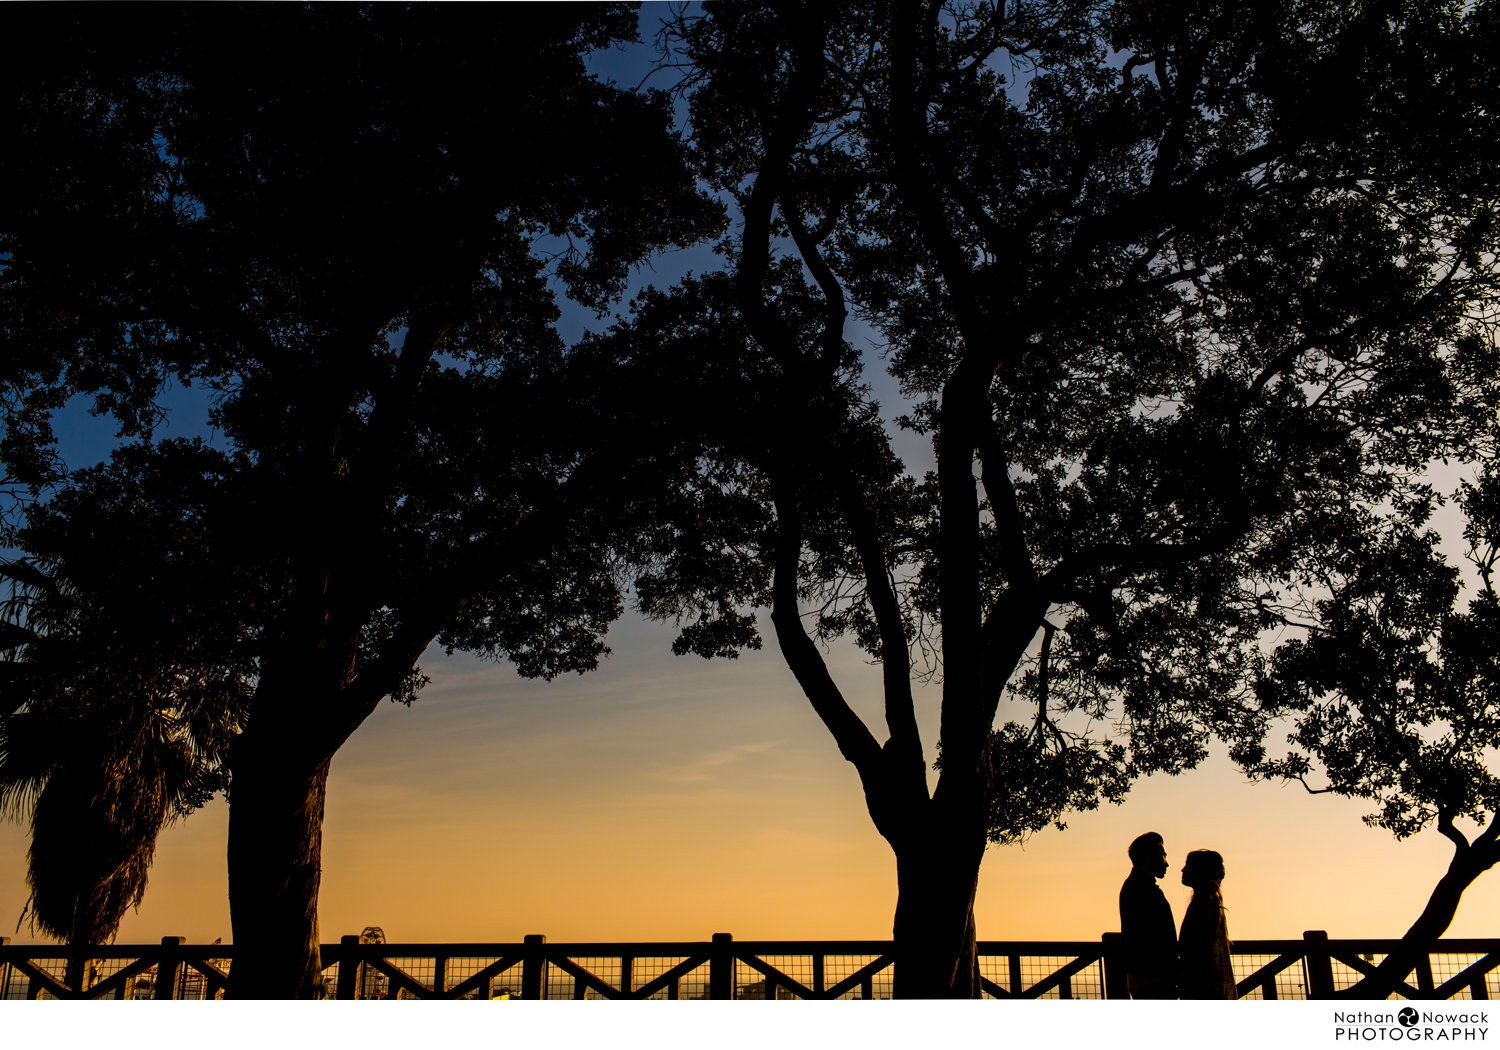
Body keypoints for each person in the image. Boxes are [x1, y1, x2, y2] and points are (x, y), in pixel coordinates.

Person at [1119, 832, 1178, 998]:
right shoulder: (1142, 888)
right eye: (1163, 855)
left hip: (1149, 977)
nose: (1166, 864)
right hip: (1154, 979)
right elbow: (1154, 935)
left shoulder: (1136, 885)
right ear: (1149, 854)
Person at [1178, 849, 1238, 999]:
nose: (1183, 870)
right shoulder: (1208, 902)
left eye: (1188, 865)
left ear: (1199, 870)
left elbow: (1201, 948)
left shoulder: (1206, 903)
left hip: (1202, 988)